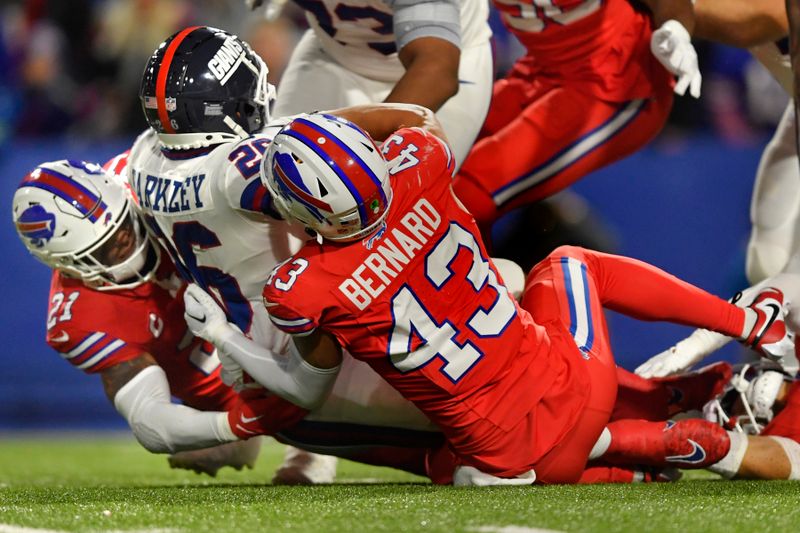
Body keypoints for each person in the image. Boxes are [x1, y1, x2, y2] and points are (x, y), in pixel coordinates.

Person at [183, 111, 795, 484]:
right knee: (565, 264)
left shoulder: (301, 288)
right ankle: (751, 322)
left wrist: (222, 336)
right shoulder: (421, 164)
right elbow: (412, 117)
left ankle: (652, 450)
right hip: (573, 382)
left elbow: (305, 388)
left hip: (510, 457)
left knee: (453, 457)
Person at [10, 158, 307, 476]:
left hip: (292, 320)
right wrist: (232, 426)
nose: (126, 240)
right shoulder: (80, 319)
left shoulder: (143, 175)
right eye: (108, 247)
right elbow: (151, 421)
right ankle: (298, 442)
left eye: (125, 224)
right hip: (244, 398)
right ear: (70, 265)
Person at [451, 0, 701, 235]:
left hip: (617, 80)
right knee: (439, 158)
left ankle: (460, 279)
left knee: (470, 194)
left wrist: (676, 28)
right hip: (544, 68)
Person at [247, 0, 493, 169]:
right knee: (270, 172)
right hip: (337, 50)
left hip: (442, 66)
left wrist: (345, 142)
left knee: (390, 214)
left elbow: (436, 70)